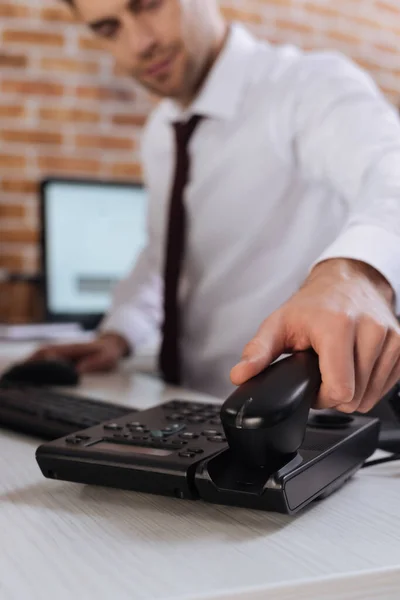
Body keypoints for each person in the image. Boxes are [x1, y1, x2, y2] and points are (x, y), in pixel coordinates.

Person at [31, 0, 400, 413]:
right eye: (108, 28)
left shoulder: (307, 85)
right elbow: (163, 256)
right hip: (185, 409)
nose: (140, 43)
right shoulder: (160, 132)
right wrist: (117, 336)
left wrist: (357, 272)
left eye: (149, 5)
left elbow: (389, 170)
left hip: (296, 422)